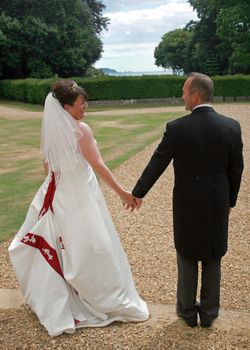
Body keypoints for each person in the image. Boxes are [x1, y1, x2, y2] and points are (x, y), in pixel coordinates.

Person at [9, 80, 149, 337]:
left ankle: (68, 291)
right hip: (80, 195)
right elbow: (99, 166)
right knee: (94, 243)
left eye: (84, 101)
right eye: (80, 103)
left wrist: (49, 196)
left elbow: (48, 170)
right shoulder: (80, 130)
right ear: (65, 107)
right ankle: (101, 296)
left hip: (59, 194)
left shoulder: (52, 132)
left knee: (70, 243)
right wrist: (124, 194)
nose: (85, 106)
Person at [132, 72, 244, 328]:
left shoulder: (177, 127)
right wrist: (230, 201)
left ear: (195, 95)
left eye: (184, 91)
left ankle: (186, 310)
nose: (182, 96)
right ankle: (209, 312)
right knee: (213, 255)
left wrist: (138, 192)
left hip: (186, 202)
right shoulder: (231, 126)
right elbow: (236, 169)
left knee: (187, 253)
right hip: (218, 201)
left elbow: (157, 163)